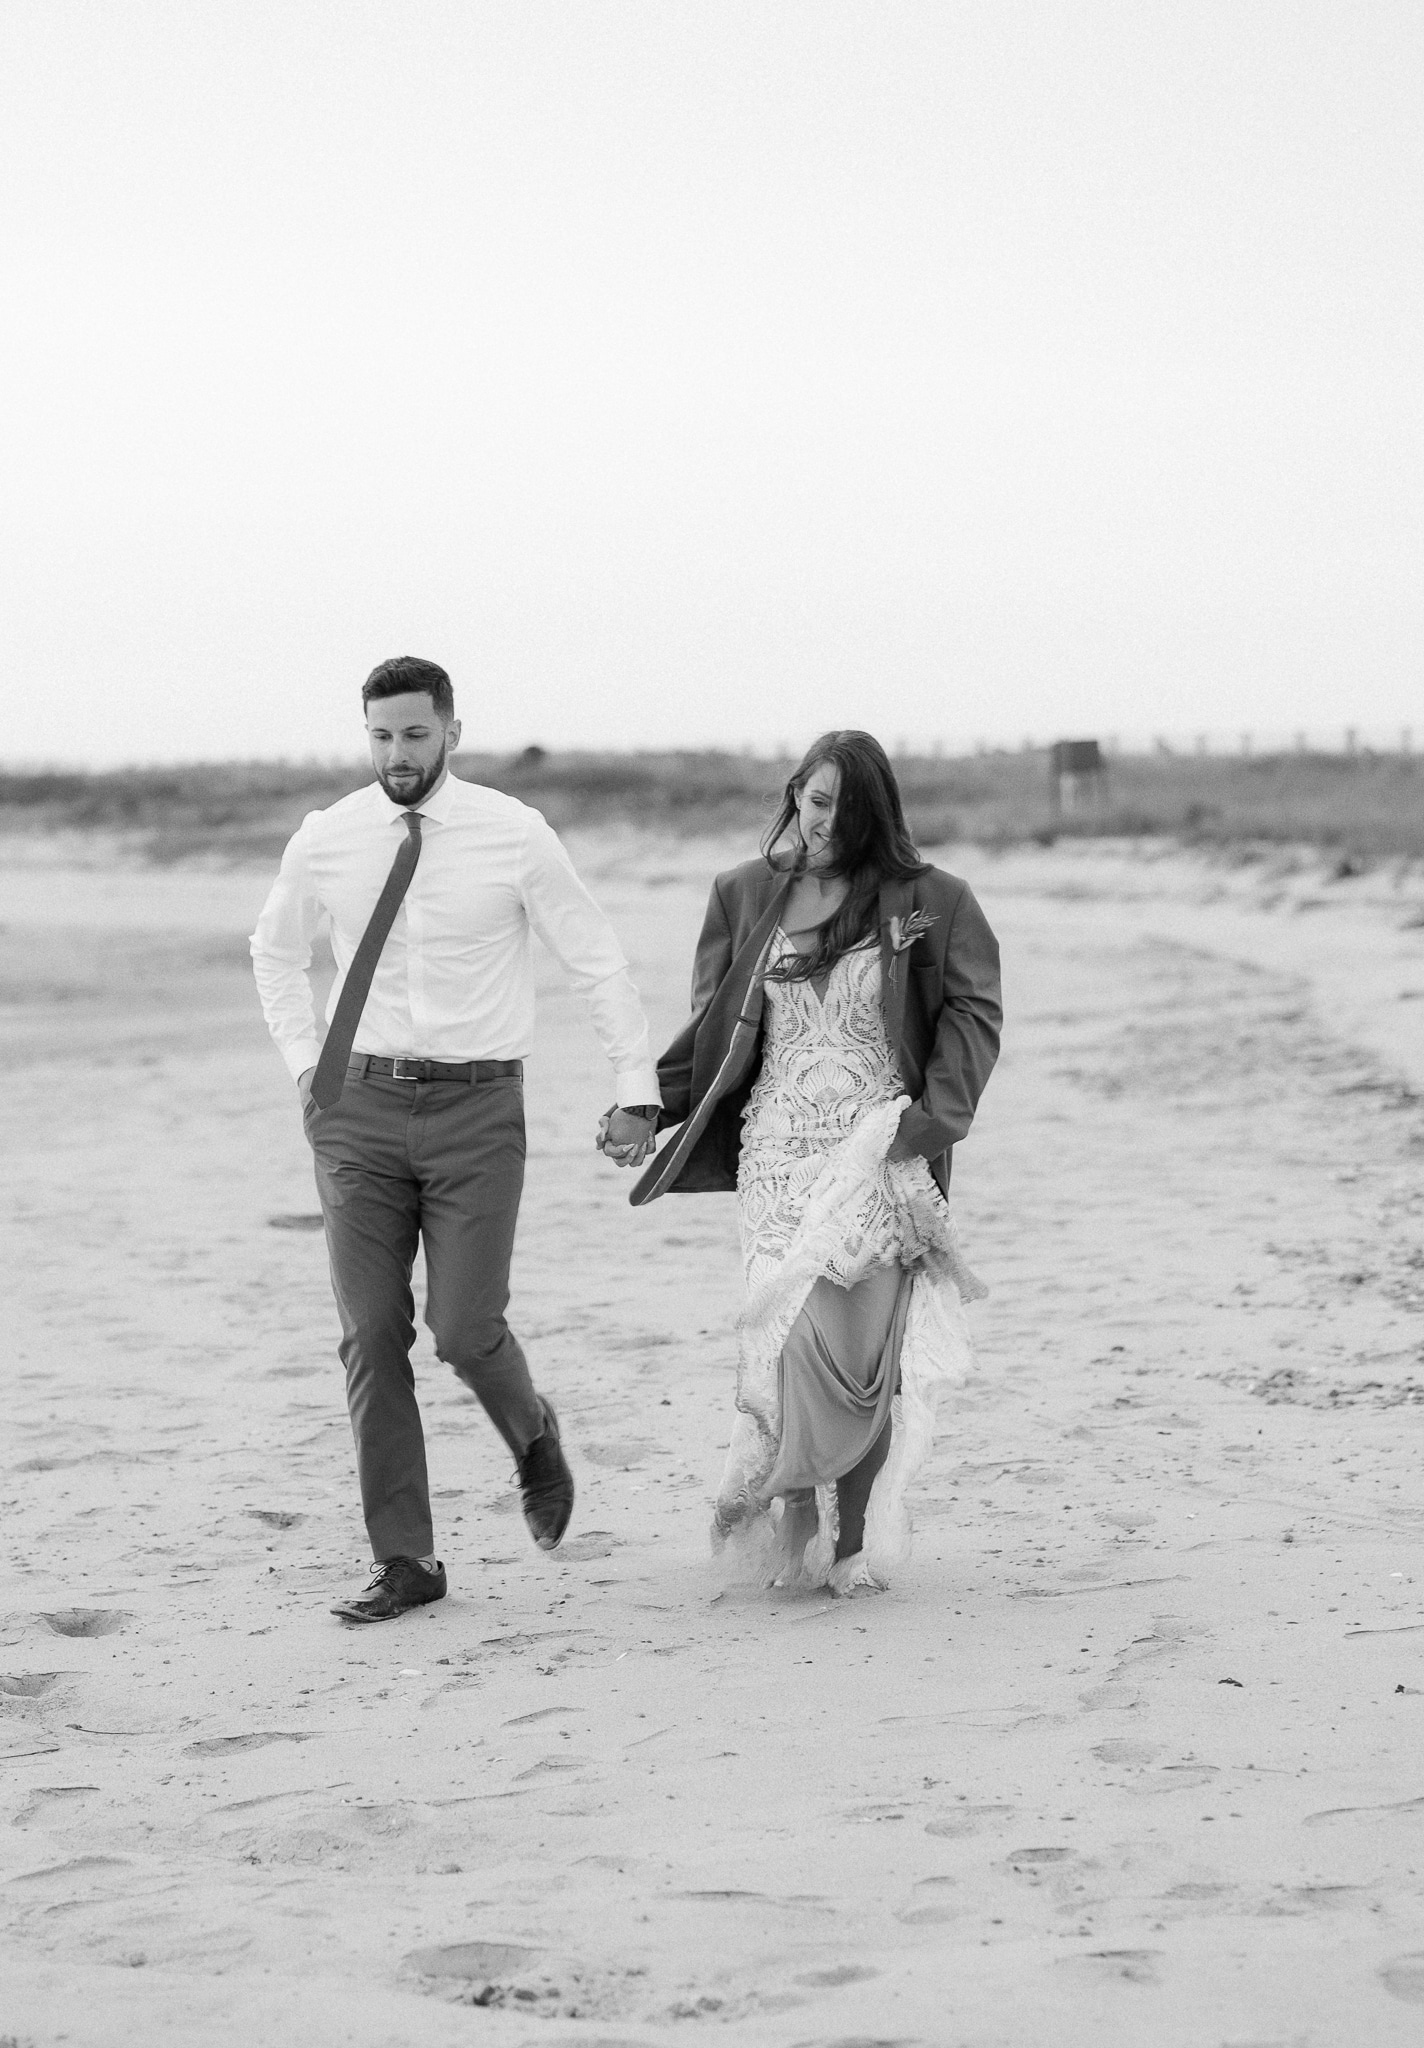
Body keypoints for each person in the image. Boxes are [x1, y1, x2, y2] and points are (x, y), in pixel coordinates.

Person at [250, 657, 661, 1623]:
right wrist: (307, 1067)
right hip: (358, 1111)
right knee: (371, 1334)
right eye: (382, 736)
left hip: (479, 1113)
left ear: (452, 732)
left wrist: (634, 1090)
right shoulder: (329, 837)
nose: (398, 754)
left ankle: (532, 1434)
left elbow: (595, 961)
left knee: (465, 1329)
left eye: (416, 735)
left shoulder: (515, 836)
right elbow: (272, 950)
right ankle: (408, 1561)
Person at [618, 730, 1000, 1594]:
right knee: (791, 1337)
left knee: (863, 1355)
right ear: (796, 795)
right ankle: (794, 1528)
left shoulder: (935, 899)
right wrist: (647, 1109)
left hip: (878, 1152)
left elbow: (974, 1017)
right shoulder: (742, 895)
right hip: (778, 1151)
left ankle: (855, 1545)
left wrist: (927, 1126)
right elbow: (712, 1034)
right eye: (817, 800)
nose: (827, 821)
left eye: (848, 809)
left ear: (879, 816)